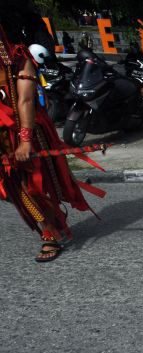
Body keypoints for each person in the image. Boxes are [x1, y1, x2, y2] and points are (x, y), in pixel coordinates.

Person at [0, 15, 103, 262]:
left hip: (27, 131)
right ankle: (52, 221)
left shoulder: (19, 59)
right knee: (12, 190)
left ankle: (50, 233)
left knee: (28, 186)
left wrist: (25, 140)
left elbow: (25, 101)